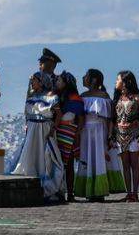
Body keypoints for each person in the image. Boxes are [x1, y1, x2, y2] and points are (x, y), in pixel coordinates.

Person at [12, 70, 64, 202]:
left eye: (34, 80)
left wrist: (53, 129)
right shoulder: (31, 96)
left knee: (46, 157)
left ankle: (49, 189)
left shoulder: (51, 96)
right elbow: (27, 114)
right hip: (32, 130)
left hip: (44, 129)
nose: (32, 82)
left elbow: (58, 114)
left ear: (41, 82)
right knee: (31, 155)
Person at [75, 69, 112, 201]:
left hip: (99, 131)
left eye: (86, 76)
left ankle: (98, 190)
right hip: (86, 130)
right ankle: (88, 189)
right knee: (87, 157)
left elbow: (109, 119)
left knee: (97, 158)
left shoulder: (104, 96)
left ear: (94, 80)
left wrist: (110, 136)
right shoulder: (83, 95)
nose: (83, 78)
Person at [112, 71, 139, 202]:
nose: (116, 82)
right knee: (125, 165)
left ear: (125, 82)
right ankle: (129, 192)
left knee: (134, 164)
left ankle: (135, 193)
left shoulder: (137, 97)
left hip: (134, 134)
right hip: (120, 135)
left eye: (118, 79)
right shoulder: (118, 98)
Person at [55, 71, 85, 202]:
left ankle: (70, 192)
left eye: (60, 80)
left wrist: (76, 133)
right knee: (58, 162)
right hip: (58, 131)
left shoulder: (75, 99)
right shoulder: (58, 97)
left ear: (66, 83)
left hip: (69, 132)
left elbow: (81, 118)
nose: (57, 83)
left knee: (68, 163)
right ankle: (59, 191)